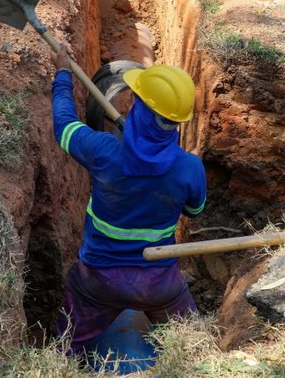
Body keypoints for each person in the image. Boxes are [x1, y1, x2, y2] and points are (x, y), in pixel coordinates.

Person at [50, 44, 206, 357]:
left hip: (97, 282)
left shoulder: (103, 151)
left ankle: (62, 362)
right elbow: (194, 210)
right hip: (159, 285)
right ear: (177, 122)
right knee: (194, 347)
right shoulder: (190, 168)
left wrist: (63, 76)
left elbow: (64, 125)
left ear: (138, 105)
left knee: (65, 347)